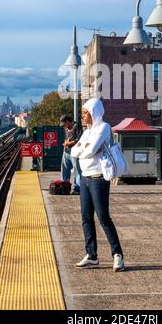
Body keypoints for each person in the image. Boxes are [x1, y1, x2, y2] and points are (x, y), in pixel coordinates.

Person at [71, 98, 124, 272]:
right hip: (85, 178)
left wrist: (83, 149)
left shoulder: (104, 128)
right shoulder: (86, 132)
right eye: (83, 113)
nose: (83, 116)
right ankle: (92, 255)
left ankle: (117, 254)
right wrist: (83, 149)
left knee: (103, 216)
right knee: (86, 217)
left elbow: (90, 150)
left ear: (94, 112)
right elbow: (74, 151)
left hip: (99, 178)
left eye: (86, 113)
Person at [60, 115, 82, 195]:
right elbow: (67, 137)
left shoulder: (76, 126)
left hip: (75, 152)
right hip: (66, 151)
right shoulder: (66, 128)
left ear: (68, 121)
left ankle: (77, 188)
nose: (64, 126)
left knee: (77, 170)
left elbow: (79, 139)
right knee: (64, 169)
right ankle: (64, 186)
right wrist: (66, 143)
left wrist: (69, 143)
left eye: (64, 124)